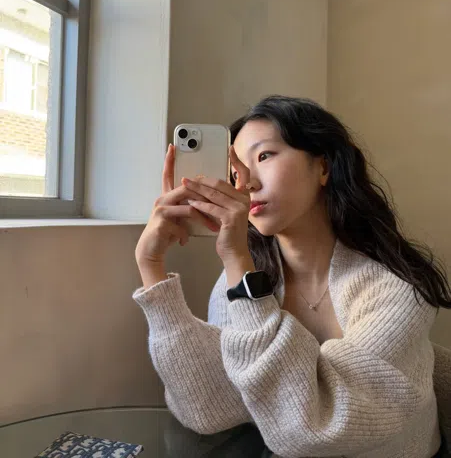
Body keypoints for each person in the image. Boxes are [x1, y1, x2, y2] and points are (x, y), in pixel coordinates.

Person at [133, 95, 451, 458]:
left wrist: (238, 261)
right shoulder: (239, 281)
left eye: (264, 156)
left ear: (323, 167)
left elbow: (317, 426)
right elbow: (208, 408)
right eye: (235, 171)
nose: (247, 182)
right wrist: (151, 267)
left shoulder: (395, 287)